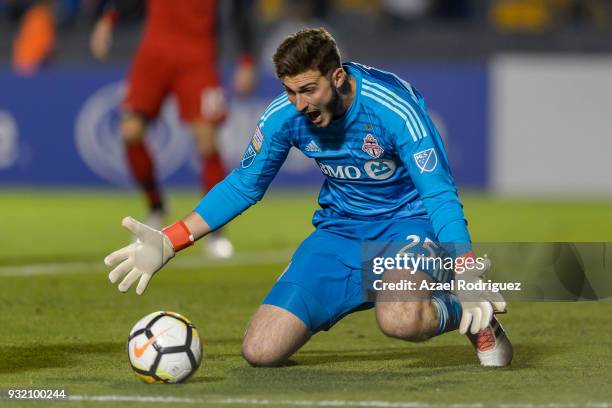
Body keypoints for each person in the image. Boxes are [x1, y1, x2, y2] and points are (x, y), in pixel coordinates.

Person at [104, 28, 513, 367]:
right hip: (340, 233)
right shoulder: (285, 116)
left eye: (308, 90)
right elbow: (243, 185)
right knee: (261, 350)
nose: (299, 104)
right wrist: (171, 239)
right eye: (289, 91)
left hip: (408, 225)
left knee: (401, 319)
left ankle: (471, 314)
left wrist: (465, 268)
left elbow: (439, 193)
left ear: (337, 77)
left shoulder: (394, 109)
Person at [91, 0, 257, 258]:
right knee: (130, 133)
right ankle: (157, 206)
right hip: (155, 52)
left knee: (207, 143)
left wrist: (246, 59)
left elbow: (238, 11)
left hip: (197, 55)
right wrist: (108, 19)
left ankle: (216, 232)